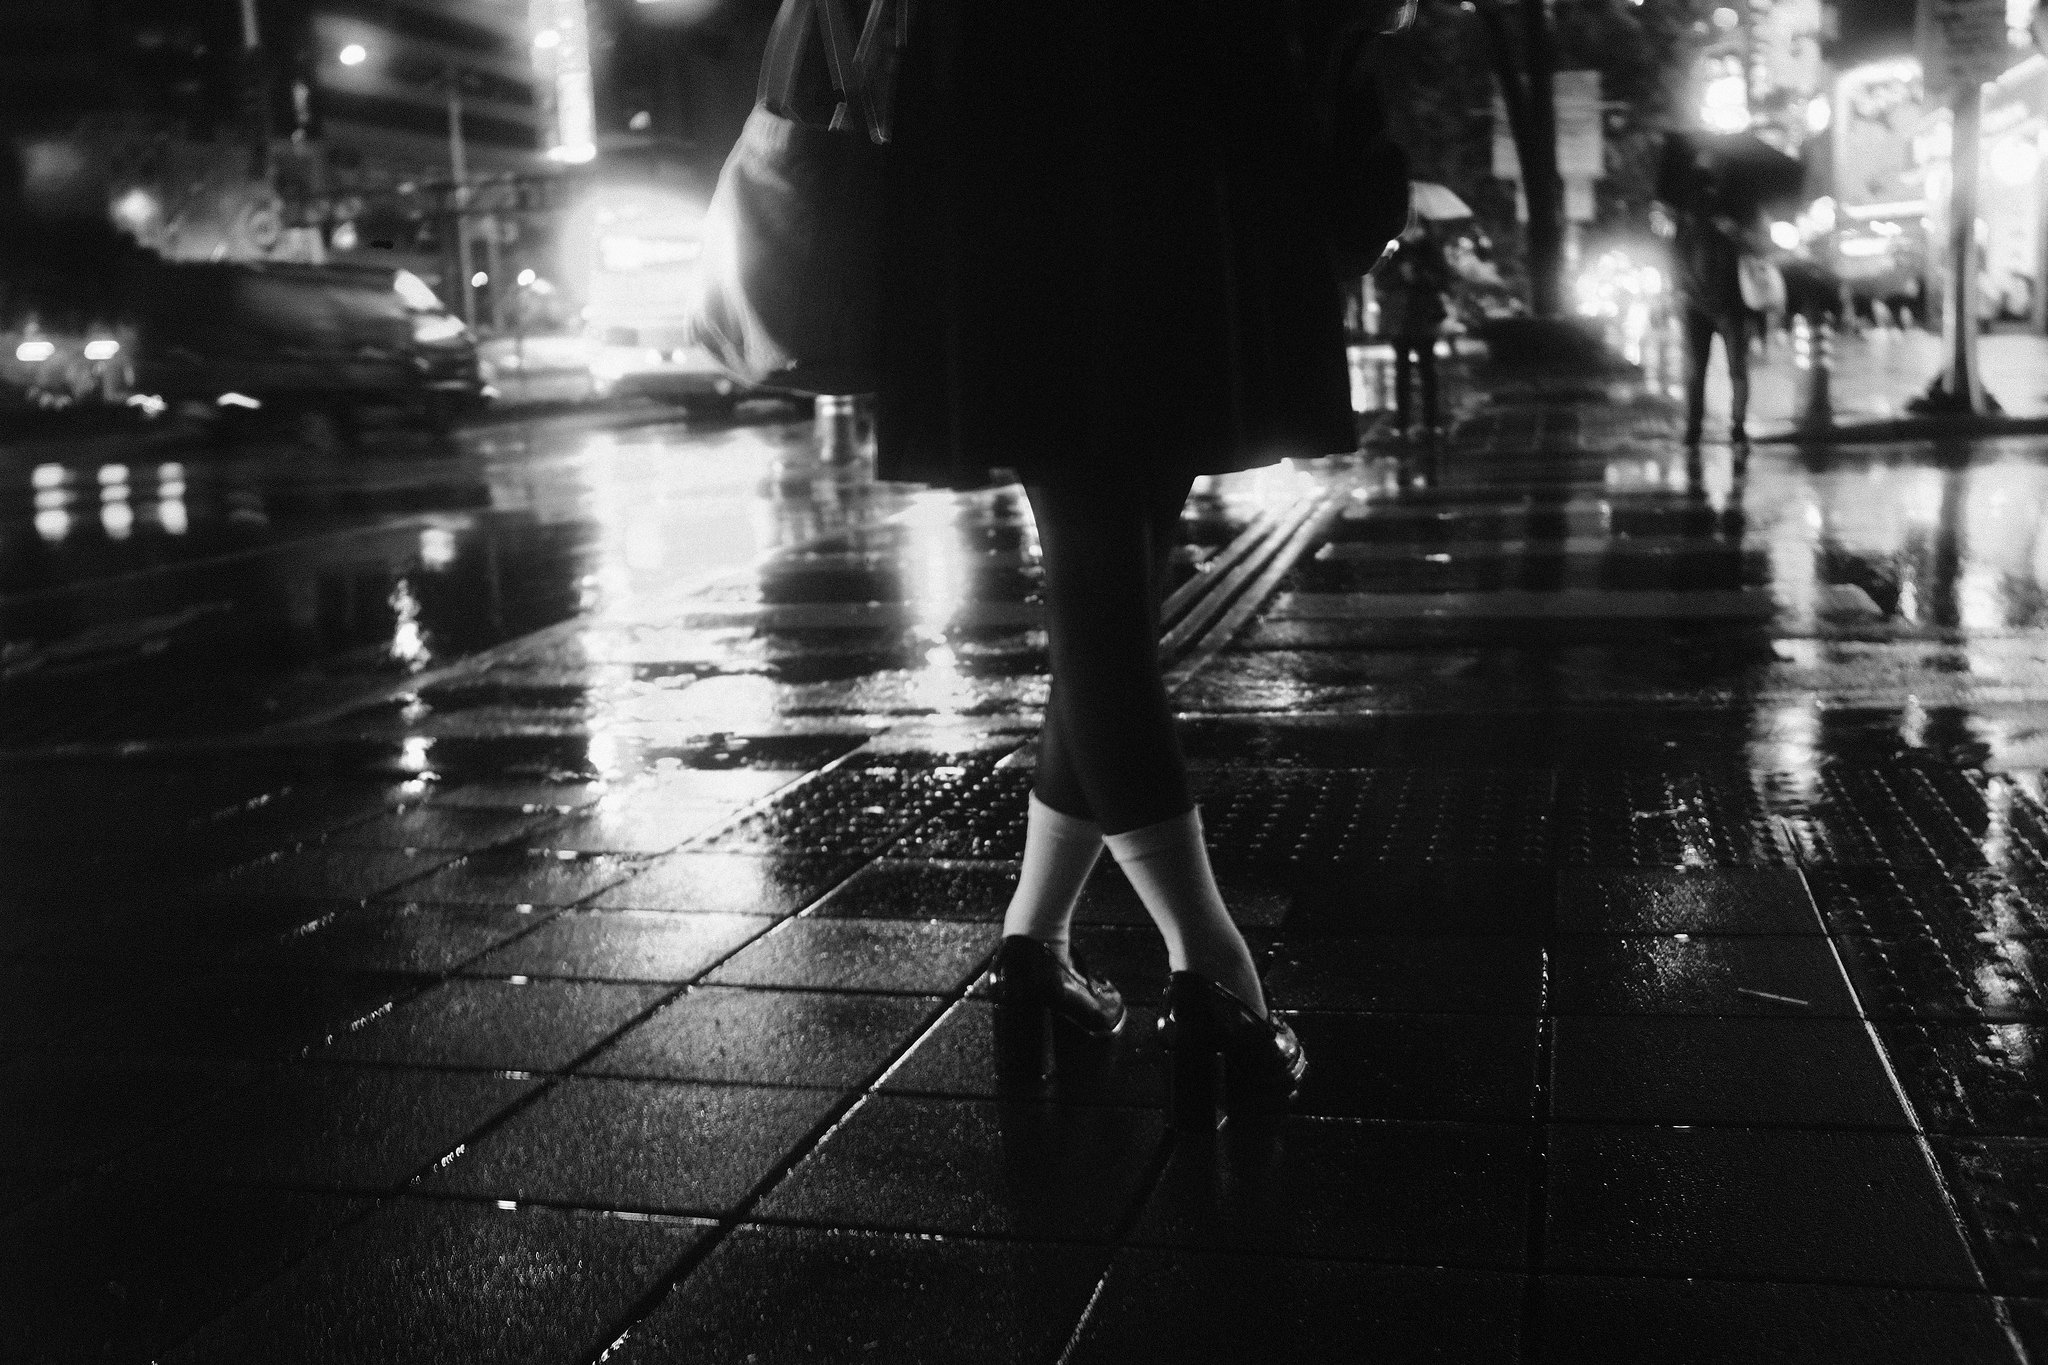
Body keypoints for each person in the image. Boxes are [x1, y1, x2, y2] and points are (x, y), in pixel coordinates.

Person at [875, 0, 1393, 1123]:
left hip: (1017, 236)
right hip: (1190, 230)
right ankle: (1214, 972)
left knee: (1105, 611)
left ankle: (1032, 951)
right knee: (1108, 615)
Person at [1666, 167, 1755, 446]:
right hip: (1726, 306)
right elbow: (1750, 256)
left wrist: (1681, 292)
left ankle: (1695, 429)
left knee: (1698, 372)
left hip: (1702, 305)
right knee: (1735, 369)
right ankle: (1735, 427)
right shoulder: (1729, 218)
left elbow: (1675, 261)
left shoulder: (1686, 222)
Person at [1379, 221, 1453, 439]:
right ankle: (1402, 422)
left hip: (1423, 318)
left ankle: (1430, 422)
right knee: (1402, 371)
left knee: (1427, 369)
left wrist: (1419, 275)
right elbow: (1382, 280)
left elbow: (1442, 280)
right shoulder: (1393, 250)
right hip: (1400, 320)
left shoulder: (1430, 249)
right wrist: (1400, 274)